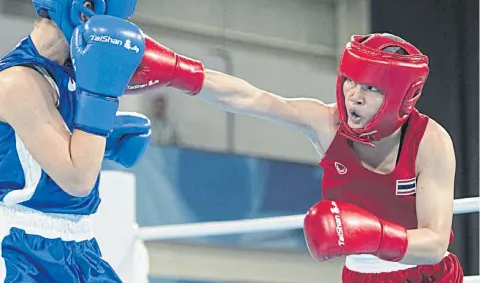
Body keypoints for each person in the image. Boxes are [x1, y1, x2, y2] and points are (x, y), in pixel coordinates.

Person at [126, 33, 463, 281]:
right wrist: (179, 72)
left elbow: (434, 243)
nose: (354, 97)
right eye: (351, 82)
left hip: (425, 275)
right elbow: (252, 99)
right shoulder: (327, 123)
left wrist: (373, 235)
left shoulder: (430, 142)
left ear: (402, 98)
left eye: (372, 89)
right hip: (361, 276)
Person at [0, 0, 152, 282]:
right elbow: (77, 180)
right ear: (86, 9)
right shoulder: (18, 82)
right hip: (20, 249)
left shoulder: (69, 71)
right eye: (115, 19)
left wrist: (103, 141)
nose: (117, 31)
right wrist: (100, 102)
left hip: (81, 246)